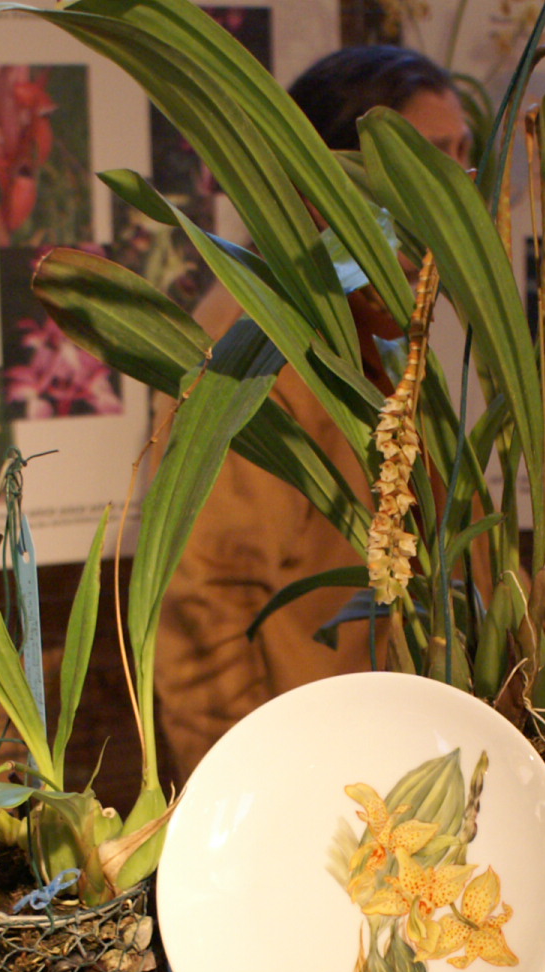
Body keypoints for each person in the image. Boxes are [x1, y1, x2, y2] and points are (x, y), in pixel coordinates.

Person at [154, 46, 472, 776]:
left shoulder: (375, 330)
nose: (459, 196)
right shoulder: (258, 347)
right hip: (313, 785)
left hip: (386, 771)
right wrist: (251, 802)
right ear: (323, 186)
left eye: (464, 158)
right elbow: (201, 614)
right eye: (427, 164)